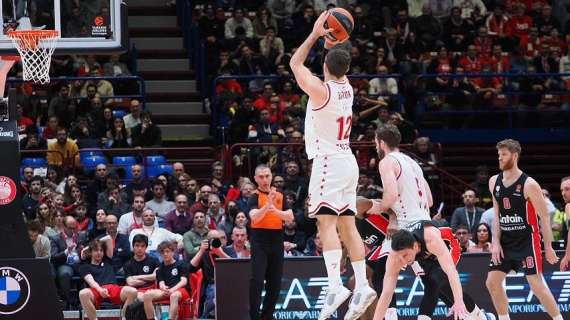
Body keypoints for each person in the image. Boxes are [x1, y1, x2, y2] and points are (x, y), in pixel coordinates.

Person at [289, 11, 376, 320]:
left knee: (325, 224)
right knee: (347, 224)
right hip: (348, 160)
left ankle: (336, 285)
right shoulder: (347, 88)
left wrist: (315, 34)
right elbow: (339, 60)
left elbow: (295, 64)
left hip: (327, 161)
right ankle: (363, 284)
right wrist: (337, 40)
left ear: (325, 66)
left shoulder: (321, 91)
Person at [486, 139, 562, 320]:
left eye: (503, 155)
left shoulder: (529, 184)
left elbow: (544, 216)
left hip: (527, 240)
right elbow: (497, 215)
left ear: (514, 156)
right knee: (492, 283)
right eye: (498, 155)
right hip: (505, 241)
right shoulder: (493, 181)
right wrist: (496, 242)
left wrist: (549, 247)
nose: (500, 158)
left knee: (536, 285)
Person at [372, 221, 471, 320]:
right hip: (422, 252)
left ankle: (471, 311)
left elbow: (452, 271)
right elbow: (386, 294)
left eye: (405, 255)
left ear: (415, 246)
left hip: (448, 244)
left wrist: (459, 302)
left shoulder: (431, 239)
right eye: (400, 256)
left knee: (440, 279)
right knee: (431, 280)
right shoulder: (395, 256)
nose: (403, 260)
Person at [248, 164, 294, 320]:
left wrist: (275, 210)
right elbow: (254, 217)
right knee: (257, 281)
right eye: (261, 177)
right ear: (255, 179)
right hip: (259, 241)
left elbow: (290, 216)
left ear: (271, 176)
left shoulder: (280, 195)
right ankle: (254, 316)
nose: (265, 179)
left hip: (276, 240)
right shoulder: (254, 196)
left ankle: (267, 316)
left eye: (267, 176)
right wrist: (267, 205)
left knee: (274, 283)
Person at [78, 239, 138, 320]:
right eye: (96, 250)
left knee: (133, 291)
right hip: (96, 290)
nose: (99, 252)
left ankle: (124, 318)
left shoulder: (108, 260)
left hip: (113, 288)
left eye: (101, 250)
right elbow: (90, 281)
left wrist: (87, 247)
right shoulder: (84, 266)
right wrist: (100, 290)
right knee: (83, 293)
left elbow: (109, 238)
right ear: (90, 252)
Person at [142, 241, 191, 320]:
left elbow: (184, 281)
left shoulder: (181, 264)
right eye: (162, 252)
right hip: (167, 290)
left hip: (181, 290)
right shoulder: (160, 268)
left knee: (174, 296)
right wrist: (164, 288)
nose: (165, 254)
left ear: (172, 252)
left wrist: (172, 290)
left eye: (167, 251)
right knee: (147, 295)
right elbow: (161, 282)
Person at [123, 234, 160, 300]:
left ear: (146, 247)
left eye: (142, 246)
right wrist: (149, 279)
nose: (140, 248)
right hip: (136, 291)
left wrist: (135, 277)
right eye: (137, 245)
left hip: (151, 290)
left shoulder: (154, 261)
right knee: (141, 297)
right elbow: (130, 282)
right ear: (133, 247)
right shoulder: (127, 264)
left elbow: (156, 276)